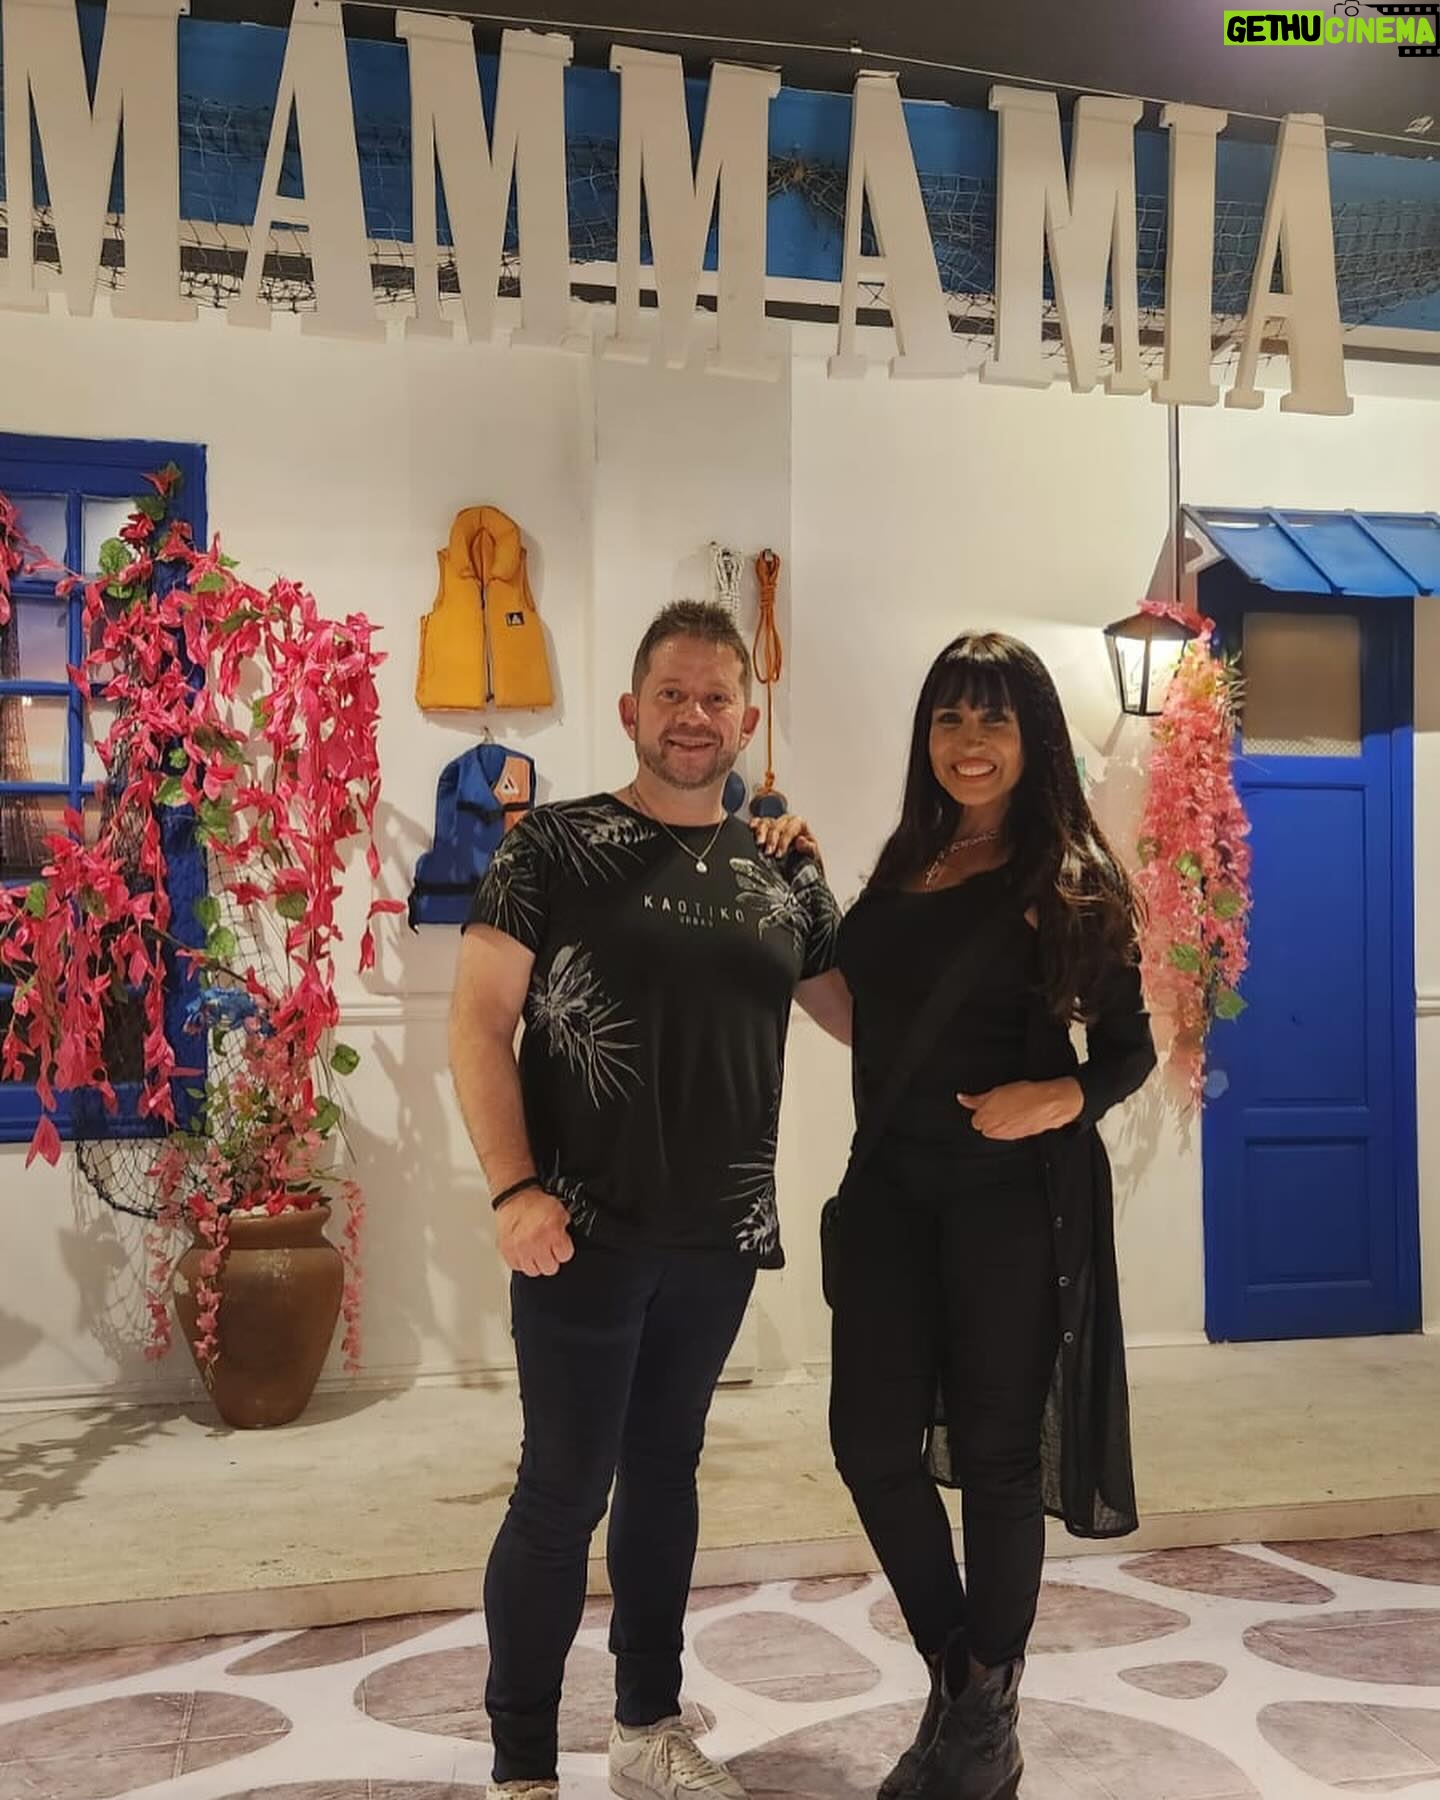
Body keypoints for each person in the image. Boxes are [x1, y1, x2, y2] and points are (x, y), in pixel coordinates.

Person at [450, 600, 849, 1800]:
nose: (693, 716)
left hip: (718, 1238)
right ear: (631, 710)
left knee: (666, 1472)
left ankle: (644, 1729)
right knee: (562, 1491)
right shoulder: (551, 847)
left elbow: (862, 1016)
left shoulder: (783, 869)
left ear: (747, 720)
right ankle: (523, 1767)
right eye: (671, 694)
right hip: (578, 1230)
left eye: (716, 696)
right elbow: (477, 1022)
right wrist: (513, 1189)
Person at [756, 631, 1155, 1800]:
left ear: (1033, 739)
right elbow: (862, 1019)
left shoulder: (1065, 875)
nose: (968, 743)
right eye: (948, 718)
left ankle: (978, 1731)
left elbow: (1129, 1049)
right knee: (869, 1444)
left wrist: (1056, 1098)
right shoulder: (907, 860)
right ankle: (968, 1684)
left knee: (994, 1458)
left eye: (992, 720)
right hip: (889, 1193)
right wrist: (802, 887)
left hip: (1008, 1206)